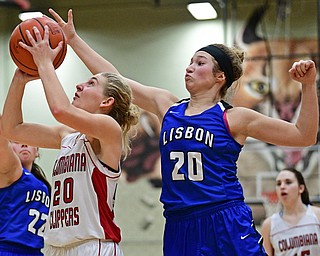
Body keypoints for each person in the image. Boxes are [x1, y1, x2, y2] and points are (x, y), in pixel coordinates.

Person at [50, 9, 319, 255]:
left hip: (223, 217)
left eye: (200, 63)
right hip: (179, 224)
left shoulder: (234, 117)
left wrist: (307, 86)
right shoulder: (167, 106)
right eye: (190, 61)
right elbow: (114, 78)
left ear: (219, 77)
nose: (190, 67)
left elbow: (303, 136)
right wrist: (73, 40)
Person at [1, 25, 140, 255]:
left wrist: (45, 62)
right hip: (57, 247)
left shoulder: (109, 130)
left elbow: (59, 109)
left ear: (107, 102)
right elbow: (11, 129)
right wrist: (19, 78)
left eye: (91, 84)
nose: (80, 85)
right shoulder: (67, 136)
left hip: (93, 245)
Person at [0, 116, 50, 255]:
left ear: (37, 151)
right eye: (16, 141)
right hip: (8, 249)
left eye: (29, 141)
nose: (24, 144)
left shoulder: (43, 184)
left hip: (35, 251)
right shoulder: (10, 171)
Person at [260, 168, 320, 256]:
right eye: (278, 184)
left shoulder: (317, 215)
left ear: (301, 188)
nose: (282, 187)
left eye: (288, 182)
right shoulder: (268, 225)